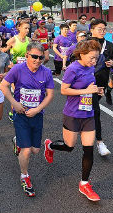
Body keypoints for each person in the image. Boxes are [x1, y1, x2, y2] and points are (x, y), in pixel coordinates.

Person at [44, 40, 103, 202]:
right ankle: (49, 145)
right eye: (91, 58)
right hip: (72, 114)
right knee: (69, 147)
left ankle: (84, 183)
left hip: (88, 113)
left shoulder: (90, 67)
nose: (94, 61)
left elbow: (89, 87)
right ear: (82, 54)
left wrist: (96, 91)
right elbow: (64, 90)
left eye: (96, 58)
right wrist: (87, 90)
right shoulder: (72, 69)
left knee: (88, 149)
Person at [0, 42, 54, 197]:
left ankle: (18, 140)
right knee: (27, 151)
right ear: (27, 56)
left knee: (35, 150)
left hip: (37, 115)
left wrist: (37, 109)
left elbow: (50, 95)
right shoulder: (18, 69)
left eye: (40, 57)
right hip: (21, 115)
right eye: (34, 57)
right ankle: (25, 175)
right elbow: (4, 85)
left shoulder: (46, 73)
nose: (37, 60)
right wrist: (14, 103)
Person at [88, 19, 113, 156]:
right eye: (99, 29)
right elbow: (74, 59)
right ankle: (100, 142)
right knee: (96, 111)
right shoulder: (85, 44)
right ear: (92, 30)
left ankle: (88, 128)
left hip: (101, 83)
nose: (102, 31)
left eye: (104, 29)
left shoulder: (109, 45)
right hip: (86, 84)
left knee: (91, 110)